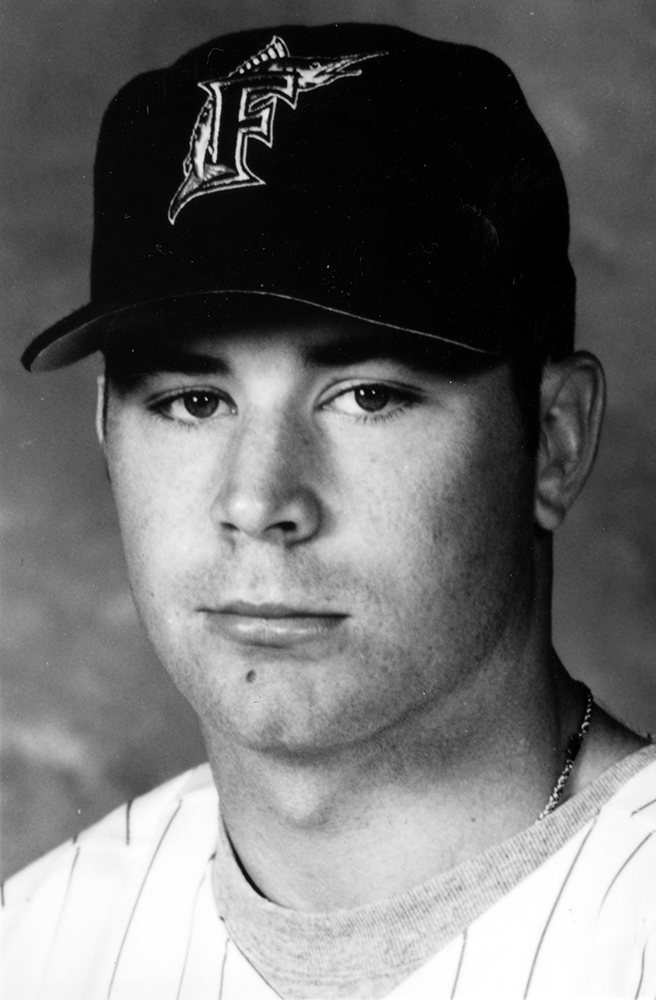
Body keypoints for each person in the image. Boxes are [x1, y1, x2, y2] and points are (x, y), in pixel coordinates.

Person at [2, 22, 655, 1000]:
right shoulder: (34, 946)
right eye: (193, 400)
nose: (259, 500)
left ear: (552, 438)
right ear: (106, 434)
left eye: (368, 395)